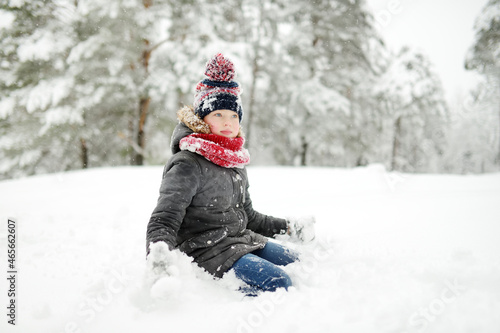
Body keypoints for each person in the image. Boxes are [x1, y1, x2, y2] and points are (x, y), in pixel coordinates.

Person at [146, 53, 314, 294]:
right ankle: (223, 298)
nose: (228, 122)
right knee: (280, 284)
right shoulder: (188, 163)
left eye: (233, 115)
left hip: (241, 239)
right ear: (202, 119)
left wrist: (288, 228)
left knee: (299, 262)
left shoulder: (234, 160)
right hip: (205, 249)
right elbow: (164, 218)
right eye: (218, 114)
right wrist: (159, 260)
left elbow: (249, 217)